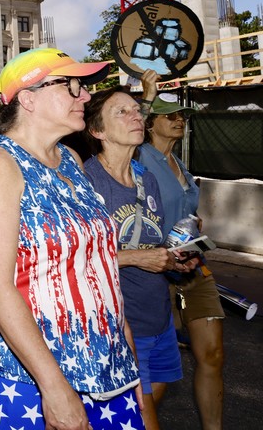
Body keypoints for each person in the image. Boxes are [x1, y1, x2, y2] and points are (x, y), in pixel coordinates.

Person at [0, 47, 144, 429]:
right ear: (28, 98)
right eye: (71, 85)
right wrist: (53, 388)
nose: (85, 96)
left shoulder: (70, 158)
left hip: (105, 366)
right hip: (27, 378)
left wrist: (129, 362)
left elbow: (98, 269)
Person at [83, 87, 195, 430]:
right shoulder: (86, 180)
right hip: (120, 326)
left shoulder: (147, 178)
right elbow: (74, 255)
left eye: (137, 110)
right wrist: (134, 258)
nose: (136, 116)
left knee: (146, 410)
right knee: (142, 419)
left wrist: (174, 260)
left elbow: (152, 241)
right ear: (98, 131)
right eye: (122, 112)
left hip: (159, 320)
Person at [139, 89, 226, 430]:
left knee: (214, 355)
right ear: (149, 123)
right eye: (170, 115)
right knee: (156, 376)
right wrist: (145, 96)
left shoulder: (181, 164)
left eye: (183, 116)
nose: (179, 121)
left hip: (192, 268)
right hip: (155, 272)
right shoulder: (140, 156)